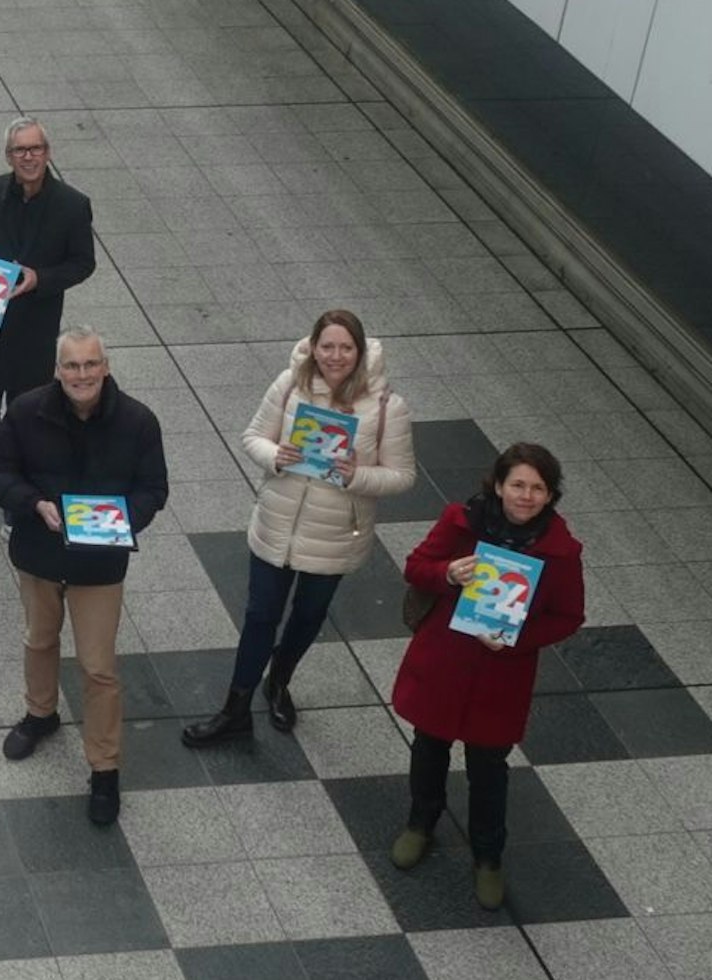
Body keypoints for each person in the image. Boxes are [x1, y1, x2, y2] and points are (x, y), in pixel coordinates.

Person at [183, 309, 417, 746]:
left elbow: (402, 476)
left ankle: (279, 680)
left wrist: (357, 475)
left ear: (360, 351)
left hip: (334, 535)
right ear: (313, 347)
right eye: (327, 346)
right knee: (260, 616)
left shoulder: (387, 407)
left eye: (346, 347)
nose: (335, 356)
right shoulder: (290, 384)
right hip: (277, 522)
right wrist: (276, 455)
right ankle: (235, 709)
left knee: (308, 616)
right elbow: (252, 436)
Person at [0, 327, 167, 827]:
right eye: (71, 366)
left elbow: (153, 489)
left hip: (99, 566)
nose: (81, 374)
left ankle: (104, 767)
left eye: (90, 364)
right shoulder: (26, 412)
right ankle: (40, 713)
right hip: (40, 555)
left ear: (106, 367)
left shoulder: (138, 422)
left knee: (98, 667)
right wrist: (33, 503)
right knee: (39, 639)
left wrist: (120, 522)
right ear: (57, 370)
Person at [389, 443, 584, 911]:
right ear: (498, 486)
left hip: (501, 675)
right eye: (517, 484)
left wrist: (516, 640)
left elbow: (568, 616)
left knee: (489, 769)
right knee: (429, 747)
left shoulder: (560, 552)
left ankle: (488, 856)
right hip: (444, 661)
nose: (526, 496)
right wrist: (447, 573)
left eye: (538, 488)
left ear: (550, 496)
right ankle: (420, 823)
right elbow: (416, 567)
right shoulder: (460, 522)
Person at [0, 118, 95, 533]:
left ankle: (19, 499)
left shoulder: (72, 204)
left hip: (33, 332)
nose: (28, 157)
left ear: (47, 153)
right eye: (20, 150)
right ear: (8, 156)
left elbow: (82, 263)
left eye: (35, 149)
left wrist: (40, 279)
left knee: (25, 417)